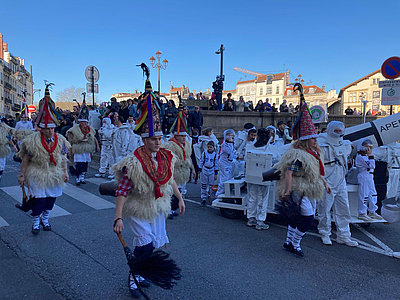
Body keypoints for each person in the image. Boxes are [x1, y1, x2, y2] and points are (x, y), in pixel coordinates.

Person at [112, 69, 185, 297]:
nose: (158, 142)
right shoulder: (132, 163)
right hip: (140, 208)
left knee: (151, 245)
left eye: (160, 138)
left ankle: (141, 274)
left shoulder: (166, 157)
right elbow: (122, 191)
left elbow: (169, 180)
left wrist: (180, 199)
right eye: (154, 139)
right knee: (144, 245)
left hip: (159, 208)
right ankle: (133, 279)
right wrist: (118, 217)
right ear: (144, 140)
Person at [275, 86, 330, 257]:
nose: (315, 140)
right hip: (300, 189)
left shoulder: (313, 153)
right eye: (312, 138)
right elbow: (290, 172)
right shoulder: (298, 155)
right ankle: (295, 243)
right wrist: (288, 191)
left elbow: (317, 172)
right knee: (306, 219)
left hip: (310, 187)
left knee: (297, 217)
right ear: (306, 141)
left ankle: (289, 241)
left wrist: (325, 183)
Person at [17, 84, 70, 234]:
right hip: (37, 172)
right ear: (41, 128)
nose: (50, 131)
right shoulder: (32, 140)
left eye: (52, 128)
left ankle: (45, 218)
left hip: (54, 172)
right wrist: (22, 175)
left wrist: (65, 172)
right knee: (39, 198)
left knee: (51, 198)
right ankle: (35, 221)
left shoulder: (60, 140)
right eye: (47, 128)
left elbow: (63, 157)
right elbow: (26, 159)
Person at [317, 121, 358, 246]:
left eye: (341, 131)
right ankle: (325, 233)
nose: (339, 133)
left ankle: (344, 235)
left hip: (340, 179)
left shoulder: (345, 144)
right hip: (327, 179)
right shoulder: (321, 144)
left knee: (343, 208)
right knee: (325, 209)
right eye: (336, 131)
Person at [163, 110, 195, 218]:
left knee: (180, 191)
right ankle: (169, 209)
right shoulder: (170, 145)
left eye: (184, 136)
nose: (183, 138)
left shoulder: (187, 145)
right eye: (181, 136)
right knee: (171, 192)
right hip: (174, 172)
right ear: (176, 136)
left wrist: (193, 169)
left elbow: (189, 157)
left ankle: (176, 206)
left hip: (183, 172)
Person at [67, 100, 100, 185]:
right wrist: (69, 149)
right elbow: (70, 139)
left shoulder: (90, 129)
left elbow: (94, 137)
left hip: (87, 149)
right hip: (78, 148)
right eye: (83, 122)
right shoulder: (74, 129)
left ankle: (82, 177)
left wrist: (97, 146)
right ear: (80, 122)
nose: (84, 124)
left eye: (85, 122)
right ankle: (78, 178)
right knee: (79, 164)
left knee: (85, 164)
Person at [245, 128, 272, 230]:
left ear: (257, 136)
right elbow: (277, 159)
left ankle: (251, 218)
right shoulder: (270, 148)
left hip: (251, 175)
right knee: (262, 198)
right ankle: (260, 221)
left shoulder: (250, 146)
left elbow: (245, 159)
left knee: (252, 197)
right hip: (265, 176)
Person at [356, 138, 383, 221]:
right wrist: (371, 156)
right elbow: (372, 165)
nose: (369, 149)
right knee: (364, 195)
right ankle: (362, 212)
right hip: (364, 176)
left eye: (370, 147)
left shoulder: (366, 156)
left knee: (373, 194)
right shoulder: (360, 157)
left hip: (370, 176)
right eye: (367, 147)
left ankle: (372, 211)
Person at [216, 129, 236, 197]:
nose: (231, 137)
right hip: (224, 163)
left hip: (228, 163)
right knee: (224, 179)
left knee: (228, 178)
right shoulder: (225, 144)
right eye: (229, 135)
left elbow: (232, 153)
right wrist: (230, 142)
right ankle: (219, 194)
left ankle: (225, 193)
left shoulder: (232, 143)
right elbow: (229, 151)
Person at [199, 141, 218, 206]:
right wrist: (199, 171)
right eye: (208, 147)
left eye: (211, 147)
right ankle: (203, 198)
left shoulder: (215, 155)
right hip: (205, 169)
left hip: (211, 170)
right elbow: (201, 162)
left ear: (213, 147)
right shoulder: (204, 153)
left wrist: (216, 174)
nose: (209, 148)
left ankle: (211, 198)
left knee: (211, 185)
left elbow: (216, 164)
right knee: (204, 185)